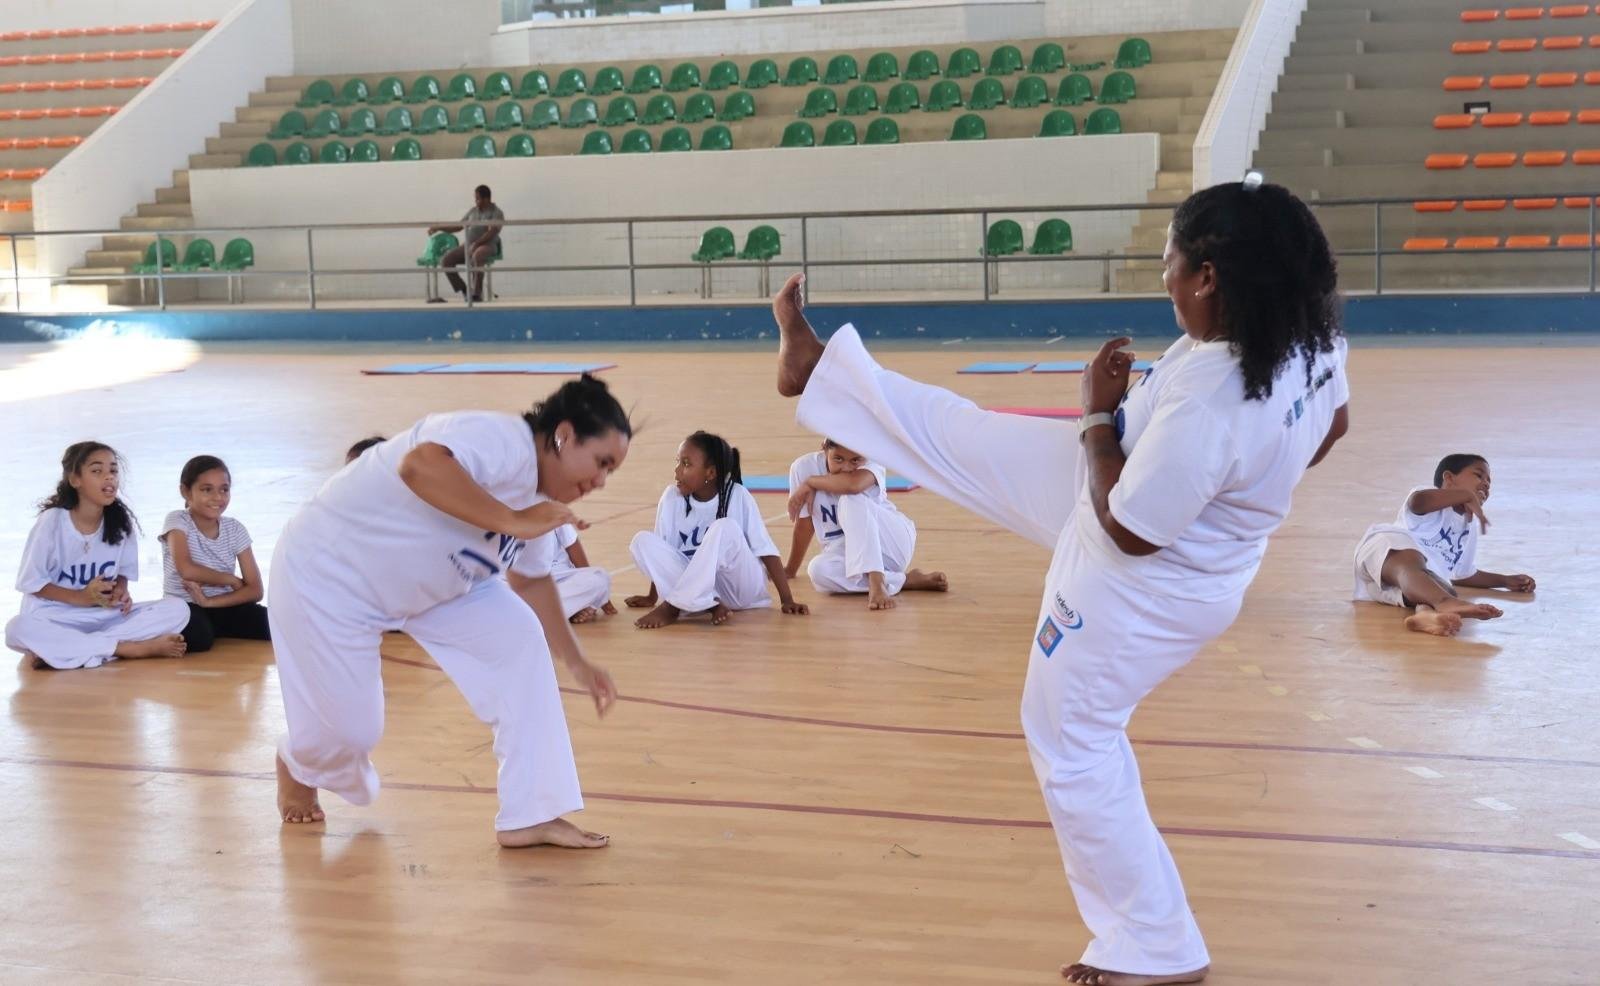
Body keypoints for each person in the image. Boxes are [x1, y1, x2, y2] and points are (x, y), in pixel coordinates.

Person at [769, 179, 1350, 986]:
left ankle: (1156, 945)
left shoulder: (1216, 400)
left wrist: (1092, 414)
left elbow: (1128, 529)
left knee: (1070, 741)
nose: (1165, 280)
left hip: (1135, 577)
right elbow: (1334, 426)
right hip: (1143, 497)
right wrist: (1242, 496)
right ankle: (822, 367)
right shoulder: (1303, 339)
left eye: (1169, 263)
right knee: (971, 436)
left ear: (1210, 275)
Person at [268, 375, 628, 850]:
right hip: (328, 576)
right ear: (563, 435)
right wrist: (515, 520)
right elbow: (420, 465)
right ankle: (301, 761)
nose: (601, 481)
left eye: (611, 472)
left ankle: (532, 813)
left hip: (438, 585)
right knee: (352, 733)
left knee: (517, 638)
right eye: (601, 462)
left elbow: (532, 580)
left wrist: (577, 660)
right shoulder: (501, 438)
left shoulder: (545, 503)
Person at [6, 441, 188, 669]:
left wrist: (120, 592)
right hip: (55, 617)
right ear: (75, 480)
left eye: (113, 471)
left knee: (178, 609)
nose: (109, 477)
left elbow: (122, 576)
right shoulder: (51, 521)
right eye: (97, 471)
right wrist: (81, 597)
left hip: (102, 617)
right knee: (17, 628)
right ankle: (127, 648)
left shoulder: (121, 523)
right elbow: (31, 583)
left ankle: (69, 651)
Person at [626, 430, 808, 628]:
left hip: (739, 590)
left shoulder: (737, 495)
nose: (677, 471)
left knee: (724, 526)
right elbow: (665, 555)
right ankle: (709, 604)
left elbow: (766, 550)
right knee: (641, 541)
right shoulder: (671, 497)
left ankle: (673, 607)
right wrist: (652, 596)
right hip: (703, 591)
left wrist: (787, 599)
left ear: (710, 473)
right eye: (677, 461)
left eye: (686, 464)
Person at [1352, 453, 1534, 636]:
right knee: (1414, 565)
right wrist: (1466, 495)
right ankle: (1444, 602)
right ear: (1448, 478)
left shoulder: (1469, 527)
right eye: (1479, 475)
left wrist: (1504, 581)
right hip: (1385, 554)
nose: (1486, 484)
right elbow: (1418, 503)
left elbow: (1462, 575)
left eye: (1489, 482)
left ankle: (1426, 617)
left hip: (1392, 587)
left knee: (1439, 585)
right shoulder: (1429, 499)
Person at [785, 437, 946, 611]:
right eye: (838, 459)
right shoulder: (802, 467)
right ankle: (905, 580)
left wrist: (811, 482)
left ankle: (877, 583)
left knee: (850, 499)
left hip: (891, 543)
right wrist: (790, 569)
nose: (846, 468)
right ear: (824, 449)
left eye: (855, 460)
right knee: (818, 571)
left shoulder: (873, 460)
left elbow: (853, 485)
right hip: (844, 551)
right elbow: (804, 523)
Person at [160, 455, 269, 653]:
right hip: (184, 606)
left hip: (221, 605)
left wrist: (210, 602)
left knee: (274, 624)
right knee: (200, 639)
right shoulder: (177, 521)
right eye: (207, 489)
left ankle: (215, 625)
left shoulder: (235, 529)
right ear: (185, 491)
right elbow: (186, 569)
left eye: (224, 489)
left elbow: (255, 590)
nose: (218, 497)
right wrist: (231, 580)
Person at [515, 523, 617, 624]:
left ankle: (535, 613)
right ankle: (571, 609)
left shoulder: (553, 510)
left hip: (561, 580)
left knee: (599, 577)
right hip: (523, 585)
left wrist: (601, 596)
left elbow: (573, 546)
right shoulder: (505, 514)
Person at [428, 184, 503, 303]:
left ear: (487, 199)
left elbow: (492, 231)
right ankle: (465, 289)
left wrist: (477, 244)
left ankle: (476, 294)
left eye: (478, 198)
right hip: (468, 245)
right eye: (475, 198)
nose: (475, 201)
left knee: (477, 255)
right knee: (446, 261)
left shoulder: (496, 212)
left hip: (487, 245)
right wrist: (439, 227)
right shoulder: (473, 211)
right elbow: (458, 226)